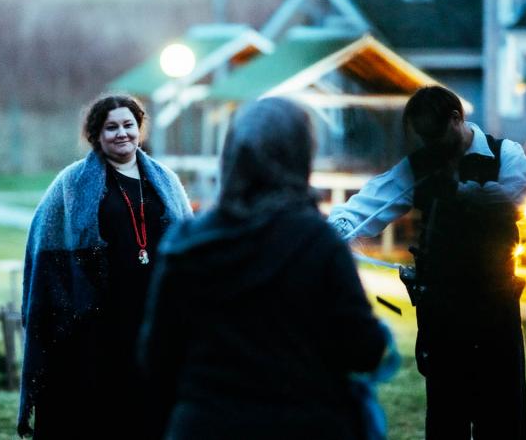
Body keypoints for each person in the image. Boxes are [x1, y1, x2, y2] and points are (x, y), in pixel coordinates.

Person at [138, 97, 395, 440]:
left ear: (231, 157)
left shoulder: (186, 241)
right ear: (300, 157)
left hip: (207, 424)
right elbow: (364, 350)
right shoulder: (318, 242)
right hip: (302, 424)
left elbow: (156, 356)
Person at [329, 85, 526, 439]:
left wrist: (457, 191)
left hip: (495, 308)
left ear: (456, 119)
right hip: (442, 314)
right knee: (445, 418)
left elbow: (509, 202)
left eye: (435, 135)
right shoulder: (420, 166)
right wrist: (338, 227)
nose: (430, 145)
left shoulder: (507, 155)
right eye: (423, 138)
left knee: (503, 415)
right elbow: (373, 200)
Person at [17, 94, 193, 439]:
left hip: (152, 317)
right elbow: (44, 248)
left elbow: (187, 242)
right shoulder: (71, 183)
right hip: (96, 323)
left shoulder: (166, 181)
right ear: (96, 135)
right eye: (111, 127)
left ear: (139, 129)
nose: (122, 133)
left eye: (128, 125)